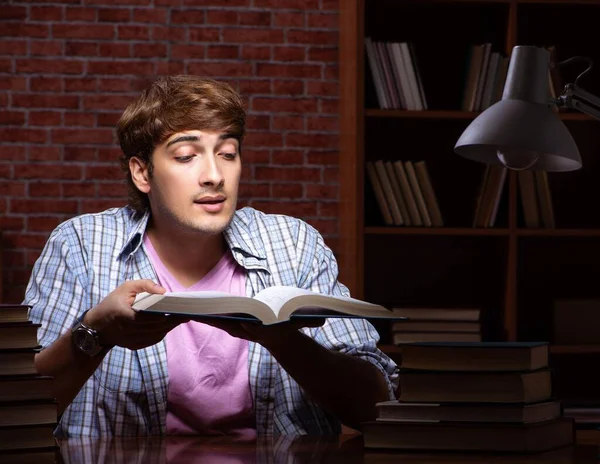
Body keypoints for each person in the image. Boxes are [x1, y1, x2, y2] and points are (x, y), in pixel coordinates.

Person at [24, 75, 399, 437]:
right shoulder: (81, 245)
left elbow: (377, 409)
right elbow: (21, 408)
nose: (214, 175)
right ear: (142, 172)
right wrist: (96, 333)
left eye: (228, 153)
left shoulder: (294, 242)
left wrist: (286, 343)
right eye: (187, 156)